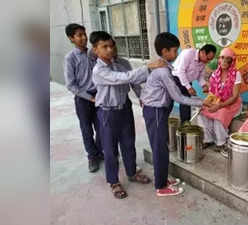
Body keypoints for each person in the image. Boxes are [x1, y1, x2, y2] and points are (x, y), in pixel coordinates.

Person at [91, 31, 164, 199]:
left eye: (112, 45)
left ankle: (132, 172)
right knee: (110, 149)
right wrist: (148, 67)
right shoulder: (98, 70)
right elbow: (121, 78)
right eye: (105, 47)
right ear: (96, 50)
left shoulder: (122, 62)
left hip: (125, 108)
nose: (110, 49)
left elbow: (134, 82)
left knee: (129, 143)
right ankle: (113, 181)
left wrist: (142, 97)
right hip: (107, 112)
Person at [141, 32, 210, 197]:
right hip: (155, 111)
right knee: (159, 149)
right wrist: (201, 102)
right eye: (174, 51)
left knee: (162, 145)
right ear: (164, 52)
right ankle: (160, 186)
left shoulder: (166, 67)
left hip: (158, 109)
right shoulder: (162, 72)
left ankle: (163, 179)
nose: (176, 54)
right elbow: (178, 97)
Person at [64, 23, 103, 172]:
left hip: (99, 95)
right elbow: (70, 85)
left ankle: (100, 151)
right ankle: (92, 156)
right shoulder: (70, 58)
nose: (84, 37)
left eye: (84, 34)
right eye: (79, 35)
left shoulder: (93, 53)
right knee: (87, 129)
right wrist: (89, 97)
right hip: (83, 99)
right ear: (71, 38)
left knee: (101, 127)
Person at [197, 48, 242, 157]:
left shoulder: (236, 74)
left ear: (233, 61)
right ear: (219, 60)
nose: (224, 61)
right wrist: (207, 103)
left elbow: (235, 97)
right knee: (202, 112)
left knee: (220, 115)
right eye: (222, 57)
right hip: (217, 102)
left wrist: (219, 106)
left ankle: (221, 142)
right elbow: (212, 94)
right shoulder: (215, 74)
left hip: (232, 104)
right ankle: (208, 139)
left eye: (228, 59)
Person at [171, 44, 216, 123]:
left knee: (186, 102)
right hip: (175, 79)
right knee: (170, 100)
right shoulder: (188, 54)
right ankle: (166, 120)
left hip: (187, 81)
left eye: (210, 60)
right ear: (202, 52)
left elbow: (200, 76)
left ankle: (185, 125)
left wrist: (204, 85)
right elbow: (181, 71)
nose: (208, 61)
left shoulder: (203, 61)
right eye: (208, 58)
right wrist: (189, 87)